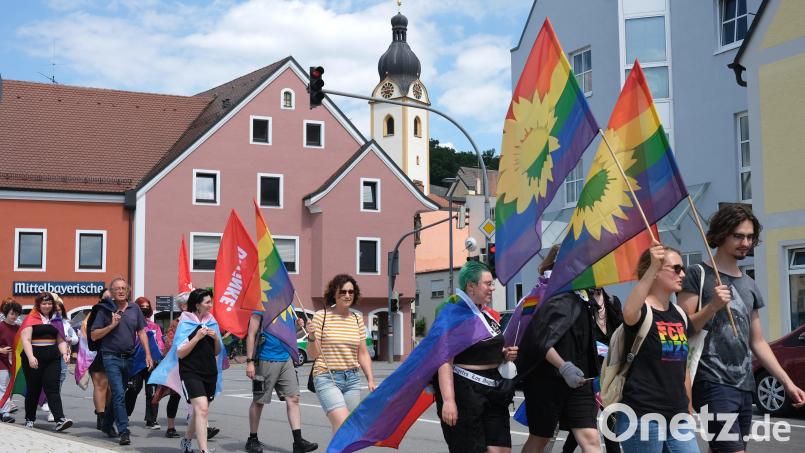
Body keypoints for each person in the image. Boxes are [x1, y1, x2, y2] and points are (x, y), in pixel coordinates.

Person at [678, 204, 805, 453]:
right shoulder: (697, 274)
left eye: (749, 236)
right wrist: (712, 306)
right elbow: (681, 329)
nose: (745, 242)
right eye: (738, 235)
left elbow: (757, 342)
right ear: (721, 233)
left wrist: (787, 383)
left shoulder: (750, 284)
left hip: (745, 385)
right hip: (711, 382)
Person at [613, 243, 698, 451]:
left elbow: (682, 366)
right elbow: (629, 312)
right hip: (642, 415)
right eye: (676, 269)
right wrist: (651, 268)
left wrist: (688, 408)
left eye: (683, 268)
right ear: (656, 272)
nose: (682, 274)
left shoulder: (679, 315)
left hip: (678, 415)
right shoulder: (642, 312)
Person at [518, 249, 601, 453]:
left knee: (591, 438)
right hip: (546, 381)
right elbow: (539, 339)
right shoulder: (546, 294)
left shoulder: (583, 296)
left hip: (579, 381)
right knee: (540, 439)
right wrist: (563, 366)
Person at [433, 261, 518, 453]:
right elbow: (444, 361)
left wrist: (505, 355)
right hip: (466, 392)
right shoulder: (452, 316)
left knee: (501, 450)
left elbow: (483, 349)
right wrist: (448, 400)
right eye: (487, 284)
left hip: (495, 391)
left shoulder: (487, 314)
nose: (492, 288)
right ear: (471, 286)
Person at [308, 274, 376, 433]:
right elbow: (313, 354)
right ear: (334, 293)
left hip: (352, 379)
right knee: (342, 425)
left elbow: (363, 353)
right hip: (326, 377)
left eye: (351, 292)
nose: (347, 295)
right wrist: (311, 337)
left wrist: (370, 379)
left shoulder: (357, 319)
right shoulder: (321, 316)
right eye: (343, 291)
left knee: (347, 431)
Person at [91, 277, 153, 446]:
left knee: (121, 393)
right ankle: (124, 430)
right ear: (111, 292)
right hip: (110, 356)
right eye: (117, 288)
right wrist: (111, 325)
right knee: (118, 393)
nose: (120, 291)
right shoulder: (104, 310)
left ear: (128, 291)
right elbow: (94, 335)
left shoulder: (134, 309)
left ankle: (106, 424)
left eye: (123, 288)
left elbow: (141, 332)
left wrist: (148, 354)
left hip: (129, 357)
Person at [244, 311, 318, 453]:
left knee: (293, 398)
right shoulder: (260, 307)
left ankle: (298, 441)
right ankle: (252, 439)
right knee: (259, 401)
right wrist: (250, 361)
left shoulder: (287, 305)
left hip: (286, 359)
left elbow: (286, 333)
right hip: (266, 359)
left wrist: (296, 327)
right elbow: (251, 334)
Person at [561, 287, 622, 453]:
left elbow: (621, 333)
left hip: (609, 371)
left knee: (611, 422)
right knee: (586, 421)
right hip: (587, 372)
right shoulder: (580, 300)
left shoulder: (612, 300)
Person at [175, 288, 223, 453]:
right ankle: (204, 450)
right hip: (190, 372)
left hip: (209, 372)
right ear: (197, 305)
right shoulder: (185, 322)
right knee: (202, 409)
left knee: (199, 412)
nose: (211, 305)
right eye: (207, 302)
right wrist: (197, 337)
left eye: (211, 301)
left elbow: (217, 351)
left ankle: (187, 440)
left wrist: (216, 338)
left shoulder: (212, 322)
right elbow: (180, 353)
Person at [19, 292, 73, 431]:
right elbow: (26, 339)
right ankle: (29, 418)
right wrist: (31, 357)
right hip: (34, 356)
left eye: (49, 303)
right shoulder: (31, 318)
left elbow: (60, 339)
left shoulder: (56, 319)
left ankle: (60, 419)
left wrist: (64, 353)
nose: (47, 306)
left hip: (52, 357)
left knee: (53, 388)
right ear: (38, 304)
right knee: (33, 389)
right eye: (44, 303)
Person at [125, 297, 165, 429]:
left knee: (152, 392)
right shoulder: (131, 325)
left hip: (152, 363)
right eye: (142, 307)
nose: (144, 310)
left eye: (147, 307)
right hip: (135, 363)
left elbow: (160, 344)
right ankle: (124, 415)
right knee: (133, 390)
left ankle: (151, 419)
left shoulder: (154, 326)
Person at [43, 294, 78, 422]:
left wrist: (68, 339)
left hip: (62, 356)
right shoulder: (47, 322)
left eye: (59, 310)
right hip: (48, 355)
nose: (57, 312)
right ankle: (47, 404)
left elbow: (75, 339)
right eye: (55, 309)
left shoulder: (66, 324)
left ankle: (52, 409)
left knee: (60, 381)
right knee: (49, 382)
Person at [85, 288, 112, 431]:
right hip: (99, 352)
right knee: (101, 386)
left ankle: (106, 413)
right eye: (106, 295)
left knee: (111, 388)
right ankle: (101, 416)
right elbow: (91, 334)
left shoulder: (118, 310)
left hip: (115, 352)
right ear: (101, 298)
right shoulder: (98, 311)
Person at [0, 300, 22, 423]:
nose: (14, 316)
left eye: (17, 314)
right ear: (6, 313)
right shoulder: (0, 326)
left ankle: (2, 410)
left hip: (13, 362)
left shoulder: (18, 328)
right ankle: (5, 413)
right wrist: (1, 350)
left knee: (8, 387)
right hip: (1, 361)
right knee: (3, 387)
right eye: (12, 313)